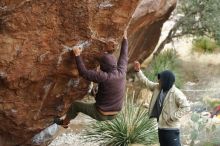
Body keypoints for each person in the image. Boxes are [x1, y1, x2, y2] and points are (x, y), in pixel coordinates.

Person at [54, 31, 128, 128]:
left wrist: (77, 55)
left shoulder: (104, 77)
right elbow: (124, 56)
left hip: (101, 113)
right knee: (96, 90)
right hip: (115, 113)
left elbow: (83, 72)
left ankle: (65, 123)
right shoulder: (121, 72)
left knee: (76, 105)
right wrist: (125, 39)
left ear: (104, 67)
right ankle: (93, 93)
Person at [134, 61, 190, 146]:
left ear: (166, 81)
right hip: (161, 127)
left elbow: (186, 107)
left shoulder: (176, 93)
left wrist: (173, 117)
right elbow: (146, 82)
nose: (159, 80)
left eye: (161, 79)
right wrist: (138, 71)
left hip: (172, 129)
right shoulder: (158, 87)